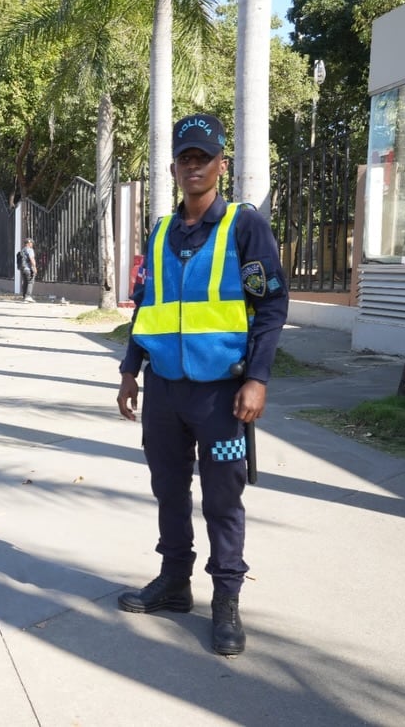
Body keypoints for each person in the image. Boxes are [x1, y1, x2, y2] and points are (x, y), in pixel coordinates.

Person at [115, 114, 289, 656]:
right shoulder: (163, 230)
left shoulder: (245, 225)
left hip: (223, 396)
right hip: (165, 390)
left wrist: (257, 379)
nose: (194, 166)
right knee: (168, 489)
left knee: (222, 499)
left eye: (203, 157)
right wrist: (129, 370)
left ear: (221, 165)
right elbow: (148, 307)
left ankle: (226, 600)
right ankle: (174, 582)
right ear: (173, 168)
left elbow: (270, 305)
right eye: (185, 158)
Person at [18, 238, 37, 302]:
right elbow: (31, 258)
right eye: (31, 243)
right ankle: (28, 296)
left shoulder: (22, 250)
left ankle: (24, 296)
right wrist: (34, 267)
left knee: (25, 282)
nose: (32, 244)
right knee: (30, 282)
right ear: (29, 243)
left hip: (22, 269)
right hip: (28, 269)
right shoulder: (30, 250)